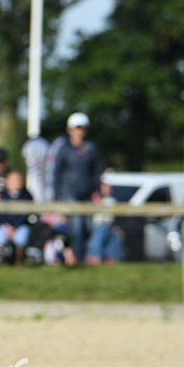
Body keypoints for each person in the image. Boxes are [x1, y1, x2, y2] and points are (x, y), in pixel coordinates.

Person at [52, 112, 102, 266]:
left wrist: (97, 192)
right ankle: (79, 261)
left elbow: (96, 172)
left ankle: (83, 257)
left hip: (86, 194)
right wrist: (57, 197)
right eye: (76, 128)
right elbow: (57, 174)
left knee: (88, 227)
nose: (79, 132)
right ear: (69, 130)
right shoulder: (63, 150)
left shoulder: (91, 149)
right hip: (68, 193)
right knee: (77, 228)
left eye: (82, 128)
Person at [0, 170, 35, 264]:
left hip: (20, 225)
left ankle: (19, 260)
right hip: (5, 225)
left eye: (18, 179)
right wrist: (7, 226)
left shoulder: (26, 196)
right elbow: (0, 214)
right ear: (7, 182)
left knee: (21, 237)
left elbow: (25, 215)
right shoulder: (2, 196)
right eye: (13, 180)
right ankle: (0, 260)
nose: (16, 182)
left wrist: (15, 227)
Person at [86, 173, 123, 264]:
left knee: (110, 235)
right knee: (100, 232)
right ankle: (96, 255)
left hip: (107, 225)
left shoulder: (111, 200)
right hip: (98, 225)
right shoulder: (96, 199)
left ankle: (103, 256)